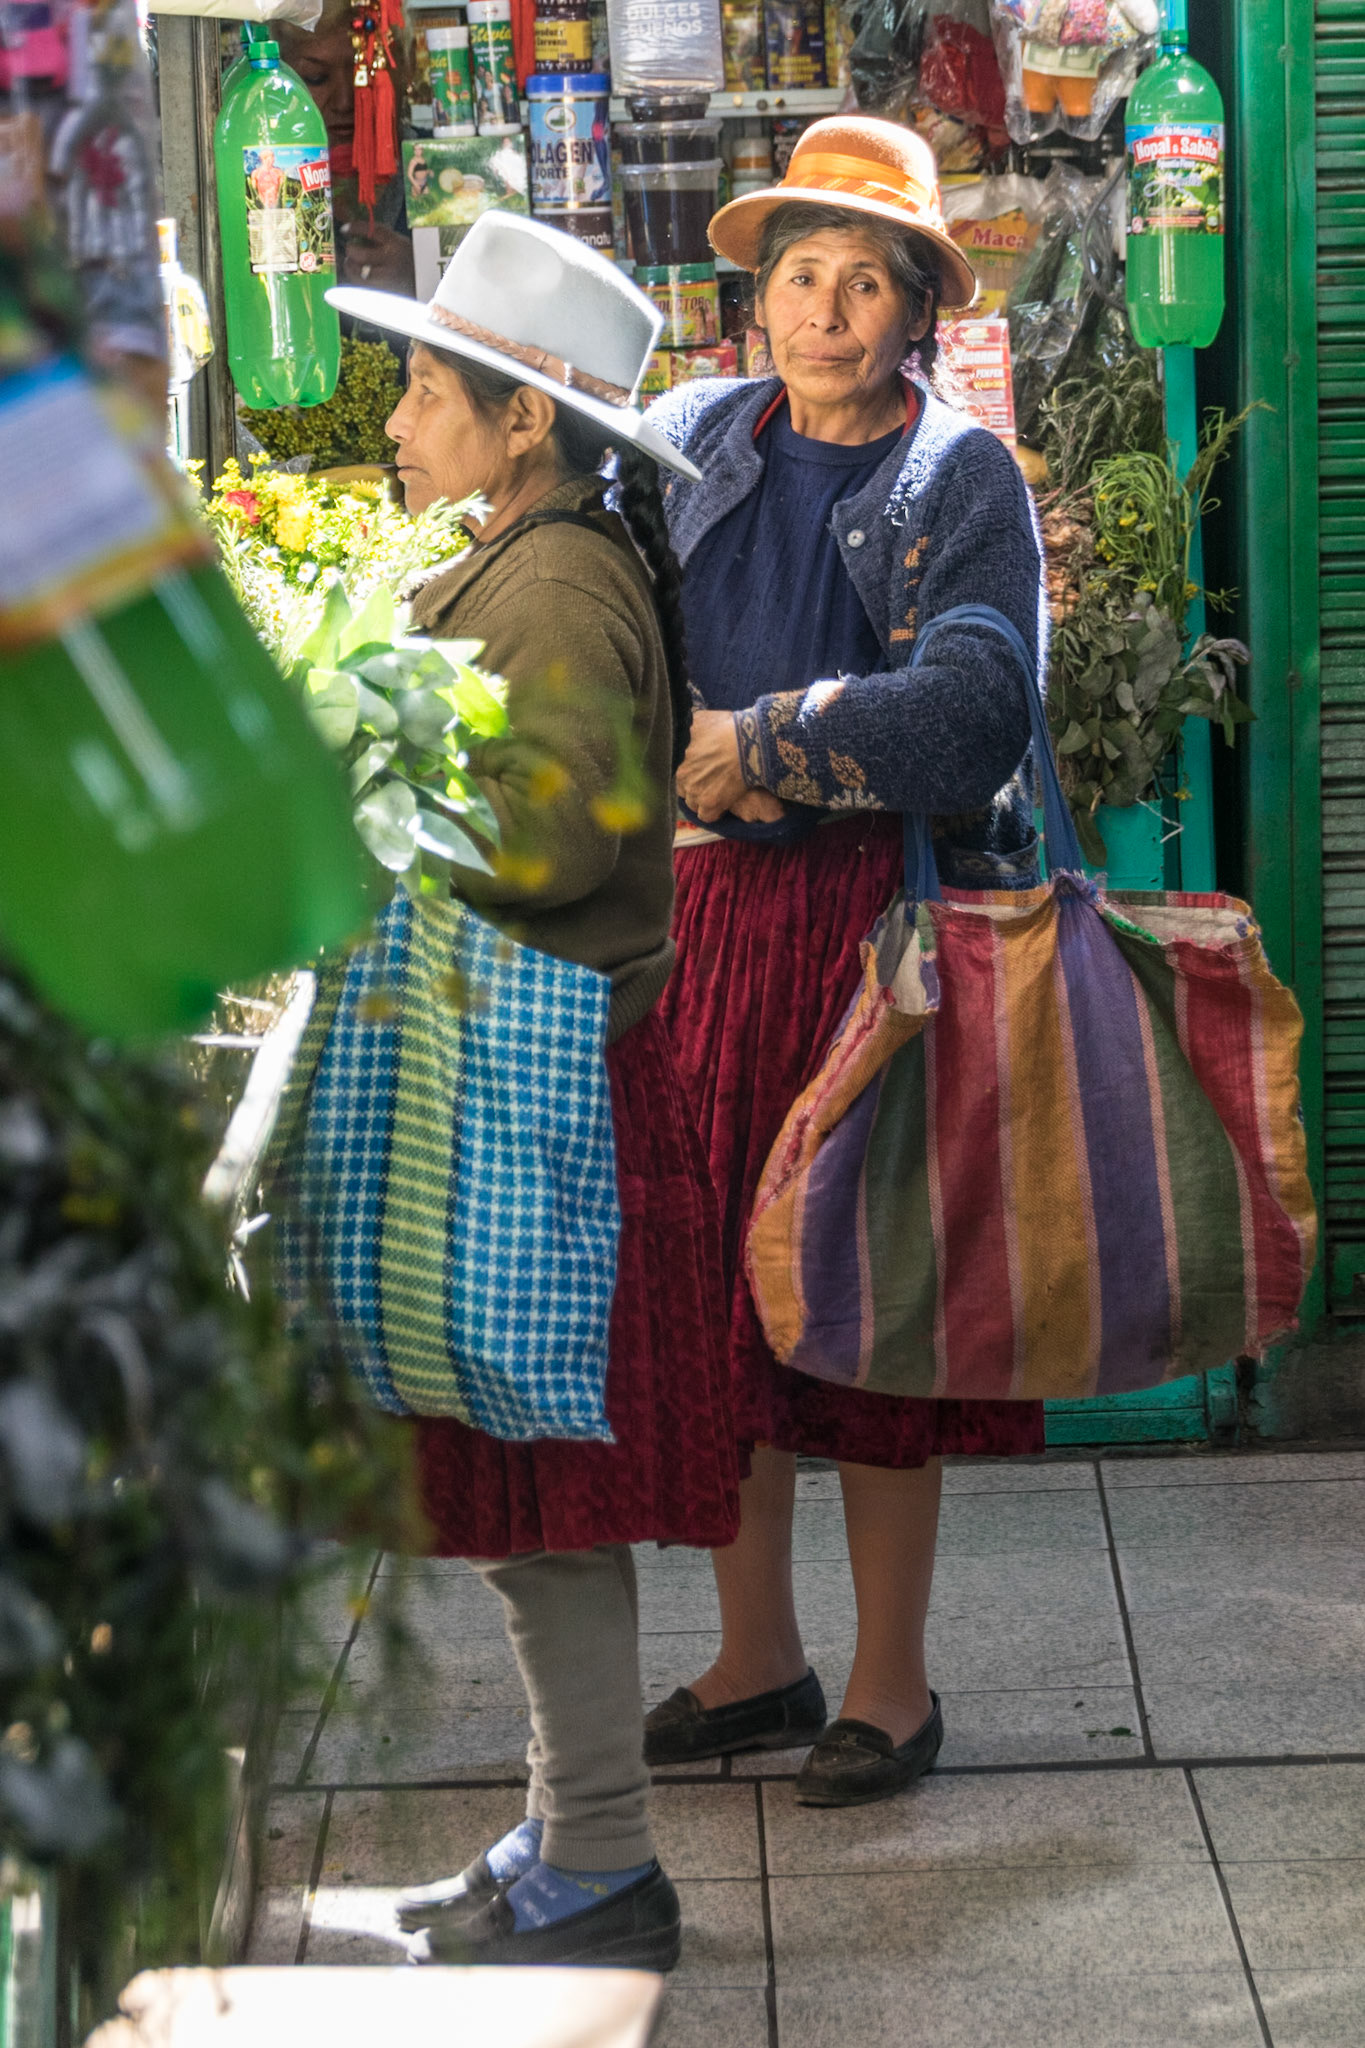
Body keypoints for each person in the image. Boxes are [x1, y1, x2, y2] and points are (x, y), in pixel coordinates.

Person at [327, 215, 738, 1965]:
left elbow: (561, 828)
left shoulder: (558, 581)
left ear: (526, 423)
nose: (401, 422)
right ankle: (579, 1832)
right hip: (532, 1082)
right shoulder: (531, 553)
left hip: (543, 1095)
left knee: (549, 1511)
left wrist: (364, 806)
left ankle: (605, 1863)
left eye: (427, 392)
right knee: (528, 1510)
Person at [643, 117, 1048, 1807]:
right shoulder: (681, 440)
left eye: (863, 280)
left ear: (913, 311)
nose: (826, 308)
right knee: (718, 1305)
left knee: (868, 1306)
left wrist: (772, 738)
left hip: (870, 934)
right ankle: (758, 1657)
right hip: (702, 927)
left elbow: (974, 711)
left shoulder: (958, 477)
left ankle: (891, 1684)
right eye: (801, 273)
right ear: (758, 295)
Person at [278, 0, 415, 294]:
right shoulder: (267, 180)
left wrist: (425, 277)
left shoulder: (444, 165)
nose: (345, 101)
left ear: (406, 68)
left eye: (365, 72)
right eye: (316, 78)